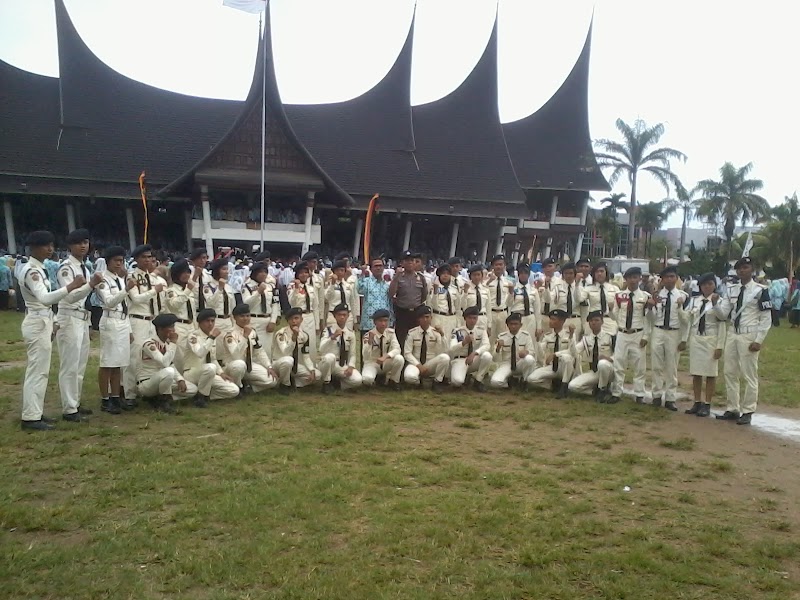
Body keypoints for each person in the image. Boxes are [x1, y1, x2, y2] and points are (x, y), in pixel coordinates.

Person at [19, 231, 86, 430]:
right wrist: (71, 287)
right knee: (37, 371)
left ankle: (35, 412)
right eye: (45, 246)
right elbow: (45, 298)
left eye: (51, 245)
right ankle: (30, 417)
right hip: (37, 320)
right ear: (34, 248)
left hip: (43, 319)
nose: (50, 249)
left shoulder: (38, 269)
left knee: (41, 371)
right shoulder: (32, 271)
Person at [715, 257, 772, 425]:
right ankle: (732, 408)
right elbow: (723, 314)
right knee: (730, 371)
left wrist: (759, 340)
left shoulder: (760, 290)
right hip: (733, 333)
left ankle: (748, 410)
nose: (742, 271)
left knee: (749, 374)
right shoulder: (731, 289)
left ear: (752, 269)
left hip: (749, 334)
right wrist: (716, 305)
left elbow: (766, 318)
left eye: (745, 267)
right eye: (739, 268)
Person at [55, 228, 104, 419]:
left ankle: (74, 401)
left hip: (82, 317)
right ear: (69, 246)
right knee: (69, 364)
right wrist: (90, 285)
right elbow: (70, 295)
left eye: (85, 242)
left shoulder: (84, 266)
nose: (83, 246)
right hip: (68, 315)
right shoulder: (66, 267)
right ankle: (69, 408)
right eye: (78, 243)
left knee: (80, 364)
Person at [123, 245, 164, 408]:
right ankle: (129, 394)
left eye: (149, 257)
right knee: (135, 356)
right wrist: (154, 291)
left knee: (153, 356)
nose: (147, 260)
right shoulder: (131, 277)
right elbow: (136, 299)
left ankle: (149, 389)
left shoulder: (151, 278)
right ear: (136, 259)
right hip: (138, 319)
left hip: (152, 320)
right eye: (144, 257)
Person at [95, 246, 132, 414]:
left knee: (119, 363)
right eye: (116, 261)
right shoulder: (102, 279)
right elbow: (109, 301)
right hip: (110, 319)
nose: (119, 264)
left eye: (121, 261)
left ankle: (116, 397)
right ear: (108, 261)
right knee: (108, 362)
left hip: (122, 320)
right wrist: (126, 290)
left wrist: (129, 329)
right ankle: (105, 399)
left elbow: (126, 306)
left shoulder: (119, 279)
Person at [136, 313, 198, 413]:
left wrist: (180, 379)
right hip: (147, 383)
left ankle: (157, 398)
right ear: (160, 329)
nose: (173, 330)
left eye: (173, 326)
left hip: (164, 379)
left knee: (192, 389)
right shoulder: (149, 344)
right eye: (170, 327)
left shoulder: (167, 343)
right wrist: (174, 343)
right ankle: (163, 402)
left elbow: (171, 364)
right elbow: (164, 363)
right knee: (168, 372)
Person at [683, 273, 725, 418]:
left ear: (715, 285)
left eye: (710, 284)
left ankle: (707, 403)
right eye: (704, 284)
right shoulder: (695, 301)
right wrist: (679, 308)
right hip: (696, 339)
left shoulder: (720, 301)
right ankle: (697, 401)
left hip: (711, 339)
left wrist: (720, 346)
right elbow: (687, 319)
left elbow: (722, 320)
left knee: (710, 374)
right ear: (700, 287)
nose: (707, 287)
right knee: (696, 373)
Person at [221, 304, 288, 394]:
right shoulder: (230, 334)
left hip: (249, 365)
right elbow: (236, 355)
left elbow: (259, 351)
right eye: (242, 316)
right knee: (239, 364)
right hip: (233, 366)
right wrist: (245, 336)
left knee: (272, 381)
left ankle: (249, 388)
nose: (245, 319)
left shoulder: (252, 332)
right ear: (234, 317)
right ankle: (238, 387)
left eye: (248, 316)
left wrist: (269, 366)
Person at [609, 267, 652, 404]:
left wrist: (646, 336)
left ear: (640, 278)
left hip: (637, 333)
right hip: (622, 332)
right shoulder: (620, 296)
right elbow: (615, 316)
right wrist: (610, 309)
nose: (633, 281)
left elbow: (648, 319)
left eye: (635, 277)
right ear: (626, 279)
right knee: (619, 363)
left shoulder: (645, 297)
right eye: (630, 278)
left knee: (639, 365)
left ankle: (639, 393)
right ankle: (616, 392)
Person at [648, 266, 689, 411]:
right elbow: (652, 318)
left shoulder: (683, 296)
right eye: (667, 277)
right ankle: (657, 395)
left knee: (672, 367)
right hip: (658, 330)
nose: (670, 279)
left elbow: (686, 320)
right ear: (662, 279)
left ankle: (671, 397)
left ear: (676, 278)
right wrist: (650, 307)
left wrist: (684, 339)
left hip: (674, 332)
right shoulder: (657, 295)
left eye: (672, 276)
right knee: (657, 365)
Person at [182, 309, 240, 406]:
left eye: (212, 321)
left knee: (234, 390)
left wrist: (221, 373)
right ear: (199, 323)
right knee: (210, 367)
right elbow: (200, 353)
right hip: (192, 372)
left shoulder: (211, 336)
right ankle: (201, 397)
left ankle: (204, 393)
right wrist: (212, 338)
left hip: (209, 372)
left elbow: (213, 358)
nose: (210, 324)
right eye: (207, 321)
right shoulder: (193, 336)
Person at [568, 311, 616, 401]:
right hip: (595, 371)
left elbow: (619, 355)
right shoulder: (586, 339)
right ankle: (594, 391)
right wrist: (571, 336)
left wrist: (609, 358)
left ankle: (603, 389)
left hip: (609, 371)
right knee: (572, 386)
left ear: (602, 322)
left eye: (596, 320)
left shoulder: (610, 337)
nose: (594, 323)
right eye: (591, 321)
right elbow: (574, 352)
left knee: (602, 363)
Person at [528, 310, 576, 397]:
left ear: (562, 321)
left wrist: (556, 354)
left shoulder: (570, 334)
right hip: (553, 366)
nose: (550, 321)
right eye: (550, 319)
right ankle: (552, 386)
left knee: (567, 358)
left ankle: (564, 386)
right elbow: (541, 354)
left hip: (566, 367)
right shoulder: (548, 335)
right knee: (531, 379)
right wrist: (537, 340)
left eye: (554, 319)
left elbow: (573, 352)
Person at [318, 303, 362, 393]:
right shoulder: (328, 330)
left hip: (341, 365)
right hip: (328, 364)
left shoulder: (350, 333)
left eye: (344, 315)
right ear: (334, 316)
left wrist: (351, 366)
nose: (342, 317)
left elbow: (352, 354)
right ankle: (326, 383)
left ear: (348, 316)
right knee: (330, 357)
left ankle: (336, 384)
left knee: (358, 380)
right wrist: (332, 337)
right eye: (339, 315)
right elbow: (321, 349)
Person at [403, 305, 450, 388]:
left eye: (427, 317)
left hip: (430, 364)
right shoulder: (412, 333)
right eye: (422, 317)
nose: (425, 320)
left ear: (431, 318)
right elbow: (407, 353)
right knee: (409, 377)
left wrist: (442, 335)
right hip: (416, 363)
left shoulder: (436, 333)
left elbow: (445, 349)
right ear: (418, 319)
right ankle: (418, 382)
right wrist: (418, 365)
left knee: (445, 357)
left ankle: (437, 382)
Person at [273, 307, 320, 389]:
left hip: (294, 365)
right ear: (287, 321)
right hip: (280, 364)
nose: (294, 321)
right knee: (288, 360)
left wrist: (311, 369)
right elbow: (285, 352)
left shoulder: (304, 335)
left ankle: (294, 383)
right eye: (291, 319)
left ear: (301, 319)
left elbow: (306, 356)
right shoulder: (281, 333)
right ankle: (284, 384)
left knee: (318, 375)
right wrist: (293, 338)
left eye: (296, 318)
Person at [388, 251, 427, 349]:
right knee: (400, 338)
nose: (410, 263)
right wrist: (396, 278)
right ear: (402, 263)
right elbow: (391, 293)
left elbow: (424, 295)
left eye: (412, 260)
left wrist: (416, 304)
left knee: (415, 338)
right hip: (402, 312)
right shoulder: (398, 277)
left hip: (416, 312)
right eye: (407, 260)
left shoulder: (421, 278)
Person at [449, 305, 492, 391]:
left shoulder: (481, 330)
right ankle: (466, 376)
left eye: (474, 318)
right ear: (465, 318)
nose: (472, 320)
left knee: (487, 356)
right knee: (457, 382)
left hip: (473, 359)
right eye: (470, 318)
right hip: (460, 360)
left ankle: (478, 380)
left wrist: (475, 353)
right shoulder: (457, 331)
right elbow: (452, 349)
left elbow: (487, 345)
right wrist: (464, 342)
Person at [490, 311, 537, 389]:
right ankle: (509, 383)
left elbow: (532, 352)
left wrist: (526, 352)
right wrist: (498, 348)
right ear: (507, 325)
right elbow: (495, 359)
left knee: (529, 359)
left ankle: (524, 381)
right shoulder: (502, 337)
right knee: (495, 382)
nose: (513, 326)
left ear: (520, 325)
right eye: (511, 324)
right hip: (506, 364)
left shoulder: (526, 335)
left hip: (520, 363)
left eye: (516, 324)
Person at [241, 263, 278, 359]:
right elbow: (246, 304)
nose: (263, 274)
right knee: (254, 348)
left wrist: (273, 320)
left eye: (265, 272)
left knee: (267, 349)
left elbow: (275, 304)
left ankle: (267, 369)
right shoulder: (247, 287)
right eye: (260, 272)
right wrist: (258, 292)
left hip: (267, 321)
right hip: (254, 320)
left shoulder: (270, 287)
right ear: (254, 273)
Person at [165, 259, 197, 368]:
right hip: (179, 325)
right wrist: (187, 291)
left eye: (188, 272)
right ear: (177, 274)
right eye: (183, 273)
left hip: (191, 325)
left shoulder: (189, 289)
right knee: (181, 357)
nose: (186, 275)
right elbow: (174, 305)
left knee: (193, 356)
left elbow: (193, 310)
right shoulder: (171, 290)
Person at [361, 308, 404, 389]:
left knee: (399, 358)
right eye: (380, 321)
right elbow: (365, 356)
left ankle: (393, 381)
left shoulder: (391, 333)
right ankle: (375, 381)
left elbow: (397, 349)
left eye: (385, 320)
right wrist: (370, 342)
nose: (383, 323)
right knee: (367, 379)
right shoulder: (368, 335)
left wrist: (386, 356)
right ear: (374, 322)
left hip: (385, 361)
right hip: (372, 362)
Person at [287, 261, 319, 360]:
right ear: (297, 274)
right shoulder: (291, 286)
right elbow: (292, 302)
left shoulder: (311, 288)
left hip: (310, 317)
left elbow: (316, 306)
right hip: (298, 318)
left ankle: (311, 367)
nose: (304, 275)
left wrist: (317, 324)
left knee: (311, 344)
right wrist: (296, 289)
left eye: (305, 272)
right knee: (300, 342)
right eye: (301, 273)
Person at [577, 262, 619, 335]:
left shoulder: (614, 289)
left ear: (606, 273)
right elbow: (579, 299)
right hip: (593, 321)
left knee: (608, 345)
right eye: (597, 272)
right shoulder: (588, 288)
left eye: (602, 271)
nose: (599, 274)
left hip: (609, 321)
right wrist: (577, 284)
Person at [203, 258, 236, 345]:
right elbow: (210, 303)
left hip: (228, 321)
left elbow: (232, 306)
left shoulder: (228, 286)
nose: (227, 272)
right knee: (217, 350)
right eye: (224, 269)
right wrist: (220, 289)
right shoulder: (208, 286)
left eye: (227, 269)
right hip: (216, 321)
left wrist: (234, 323)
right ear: (217, 271)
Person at [358, 256, 393, 338]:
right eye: (376, 266)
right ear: (371, 268)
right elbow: (359, 289)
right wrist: (362, 272)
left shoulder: (387, 285)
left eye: (380, 266)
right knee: (367, 350)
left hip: (384, 325)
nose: (378, 268)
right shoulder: (366, 281)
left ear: (383, 268)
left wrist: (391, 321)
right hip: (368, 323)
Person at [427, 264, 461, 343]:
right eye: (443, 274)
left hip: (452, 318)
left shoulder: (454, 289)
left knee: (450, 343)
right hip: (438, 317)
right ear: (439, 275)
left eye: (448, 274)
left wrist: (458, 322)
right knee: (438, 342)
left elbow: (458, 307)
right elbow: (432, 305)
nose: (445, 276)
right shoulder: (433, 288)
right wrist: (435, 292)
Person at [325, 260, 360, 331]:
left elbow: (352, 302)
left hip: (347, 315)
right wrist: (332, 284)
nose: (340, 272)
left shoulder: (348, 286)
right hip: (333, 315)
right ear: (334, 272)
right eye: (337, 270)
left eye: (342, 270)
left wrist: (355, 320)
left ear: (345, 272)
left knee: (347, 338)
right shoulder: (328, 284)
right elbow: (327, 298)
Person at [510, 263, 541, 340]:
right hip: (516, 319)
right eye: (521, 273)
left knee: (530, 343)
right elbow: (508, 305)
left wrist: (538, 327)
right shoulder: (513, 289)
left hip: (530, 319)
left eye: (526, 273)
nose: (523, 275)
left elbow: (537, 310)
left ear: (529, 274)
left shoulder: (533, 290)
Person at [461, 263, 489, 332]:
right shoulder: (465, 288)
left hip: (482, 318)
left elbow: (488, 307)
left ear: (482, 276)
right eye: (474, 275)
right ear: (470, 276)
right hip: (470, 319)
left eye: (478, 275)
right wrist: (465, 292)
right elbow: (462, 305)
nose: (476, 277)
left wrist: (489, 325)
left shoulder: (486, 289)